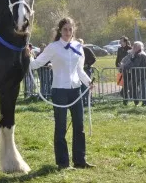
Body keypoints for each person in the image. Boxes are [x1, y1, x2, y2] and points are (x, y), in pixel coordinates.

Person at [29, 17, 95, 170]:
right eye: (65, 29)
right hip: (59, 90)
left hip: (76, 90)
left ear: (73, 31)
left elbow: (80, 70)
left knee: (79, 125)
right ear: (60, 30)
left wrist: (88, 82)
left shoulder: (78, 46)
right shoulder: (53, 47)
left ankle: (80, 160)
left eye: (70, 29)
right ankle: (63, 163)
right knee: (61, 126)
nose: (68, 32)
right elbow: (37, 63)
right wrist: (28, 56)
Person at [121, 41, 146, 106]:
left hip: (142, 74)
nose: (133, 47)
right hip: (139, 74)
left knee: (144, 89)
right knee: (136, 88)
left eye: (135, 46)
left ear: (138, 47)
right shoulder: (136, 54)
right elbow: (128, 60)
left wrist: (124, 66)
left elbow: (135, 64)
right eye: (133, 46)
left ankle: (145, 102)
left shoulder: (140, 54)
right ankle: (138, 101)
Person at [78, 39, 96, 107]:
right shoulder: (75, 51)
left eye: (80, 43)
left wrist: (88, 64)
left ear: (83, 43)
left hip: (87, 70)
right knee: (81, 87)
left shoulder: (87, 50)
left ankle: (89, 101)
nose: (79, 44)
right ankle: (82, 101)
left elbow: (94, 58)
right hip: (79, 71)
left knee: (88, 86)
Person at [116, 36, 132, 104]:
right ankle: (125, 97)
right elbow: (118, 58)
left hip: (127, 69)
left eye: (121, 41)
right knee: (121, 83)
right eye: (120, 41)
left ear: (125, 41)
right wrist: (117, 65)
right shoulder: (119, 49)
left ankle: (127, 97)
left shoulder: (130, 48)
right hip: (120, 68)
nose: (120, 42)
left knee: (127, 84)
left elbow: (130, 59)